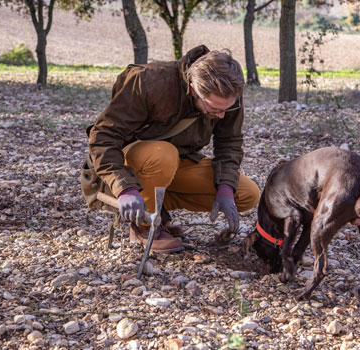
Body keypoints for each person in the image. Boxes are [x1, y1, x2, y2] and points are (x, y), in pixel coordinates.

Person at [87, 45, 260, 253]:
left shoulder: (228, 92)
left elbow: (229, 141)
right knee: (164, 154)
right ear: (194, 89)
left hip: (175, 163)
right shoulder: (148, 81)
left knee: (246, 193)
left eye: (226, 109)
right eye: (214, 110)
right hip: (132, 164)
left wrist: (225, 187)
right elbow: (103, 137)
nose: (222, 116)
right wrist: (125, 187)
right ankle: (143, 226)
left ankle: (157, 207)